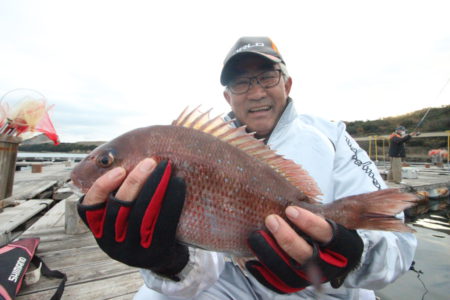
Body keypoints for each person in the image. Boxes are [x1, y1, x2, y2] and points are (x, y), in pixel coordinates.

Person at [77, 37, 417, 300]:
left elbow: (397, 251)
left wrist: (352, 254)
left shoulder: (332, 137)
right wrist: (169, 261)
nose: (255, 92)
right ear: (227, 97)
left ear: (287, 83)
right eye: (241, 83)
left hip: (324, 289)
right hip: (236, 283)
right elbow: (205, 258)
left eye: (267, 77)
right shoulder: (194, 145)